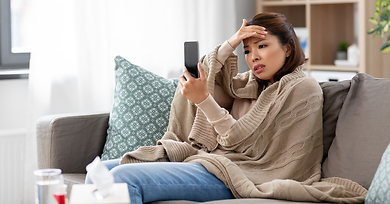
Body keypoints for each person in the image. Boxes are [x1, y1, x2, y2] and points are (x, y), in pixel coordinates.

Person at [86, 12, 366, 204]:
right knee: (97, 171)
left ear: (288, 48)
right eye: (246, 50)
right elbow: (207, 72)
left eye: (262, 45)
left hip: (240, 173)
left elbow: (236, 138)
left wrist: (203, 101)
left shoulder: (302, 88)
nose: (252, 56)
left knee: (122, 177)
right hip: (213, 161)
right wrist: (231, 42)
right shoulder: (247, 85)